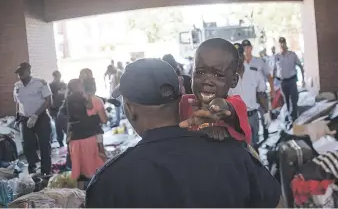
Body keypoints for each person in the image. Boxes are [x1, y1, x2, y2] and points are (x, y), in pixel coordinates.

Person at [86, 58, 281, 207]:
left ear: (130, 109)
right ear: (180, 99)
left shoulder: (109, 182)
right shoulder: (234, 154)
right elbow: (276, 204)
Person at [178, 38, 251, 143]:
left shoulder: (236, 104)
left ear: (234, 81)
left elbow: (227, 108)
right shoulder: (183, 103)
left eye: (218, 75)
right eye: (200, 72)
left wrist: (218, 106)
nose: (207, 81)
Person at [65, 79, 107, 186]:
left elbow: (69, 120)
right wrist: (96, 117)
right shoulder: (93, 100)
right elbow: (103, 120)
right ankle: (94, 189)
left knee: (78, 167)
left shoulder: (68, 99)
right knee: (92, 165)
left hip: (74, 139)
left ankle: (81, 194)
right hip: (88, 137)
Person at [13, 62, 52, 175]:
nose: (20, 75)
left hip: (41, 117)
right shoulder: (17, 86)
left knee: (44, 143)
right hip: (24, 118)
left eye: (22, 72)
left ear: (29, 71)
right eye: (18, 73)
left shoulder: (40, 83)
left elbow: (48, 100)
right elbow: (18, 103)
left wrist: (36, 115)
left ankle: (46, 170)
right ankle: (32, 166)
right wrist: (17, 117)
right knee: (26, 144)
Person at [229, 43, 268, 147]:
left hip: (252, 117)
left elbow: (260, 94)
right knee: (238, 149)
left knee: (254, 148)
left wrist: (266, 112)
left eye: (239, 54)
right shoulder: (227, 77)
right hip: (235, 119)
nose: (237, 58)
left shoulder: (254, 73)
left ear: (243, 56)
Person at [274, 37, 305, 123]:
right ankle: (289, 116)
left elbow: (300, 66)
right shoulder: (277, 56)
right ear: (279, 45)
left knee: (294, 99)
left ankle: (295, 116)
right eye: (280, 43)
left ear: (286, 43)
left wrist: (303, 79)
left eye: (283, 43)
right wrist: (274, 85)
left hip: (292, 80)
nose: (282, 45)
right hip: (283, 81)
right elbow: (274, 70)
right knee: (286, 100)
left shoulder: (292, 54)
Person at [49, 70, 67, 147]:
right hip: (55, 109)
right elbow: (48, 98)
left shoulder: (64, 85)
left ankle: (67, 140)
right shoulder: (50, 86)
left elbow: (67, 95)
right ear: (53, 77)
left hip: (64, 107)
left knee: (66, 125)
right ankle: (60, 141)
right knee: (58, 126)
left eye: (58, 77)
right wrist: (50, 110)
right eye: (56, 77)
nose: (57, 78)